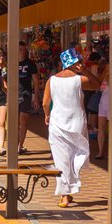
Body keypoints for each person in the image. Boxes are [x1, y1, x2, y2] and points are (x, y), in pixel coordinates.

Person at [42, 48, 100, 207]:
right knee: (75, 155)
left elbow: (45, 103)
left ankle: (65, 193)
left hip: (57, 123)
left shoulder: (51, 80)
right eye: (80, 62)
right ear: (76, 63)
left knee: (61, 158)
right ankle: (68, 189)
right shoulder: (79, 80)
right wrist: (86, 71)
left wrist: (47, 115)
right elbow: (97, 85)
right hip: (77, 123)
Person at [17, 41, 41, 154]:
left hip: (26, 95)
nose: (22, 52)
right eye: (20, 49)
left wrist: (36, 96)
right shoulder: (11, 63)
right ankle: (14, 143)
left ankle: (20, 146)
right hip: (13, 95)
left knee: (23, 121)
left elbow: (36, 80)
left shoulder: (30, 63)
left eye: (23, 49)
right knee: (13, 122)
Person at [95, 60, 110, 159]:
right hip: (103, 104)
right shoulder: (105, 75)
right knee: (101, 129)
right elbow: (98, 85)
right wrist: (105, 73)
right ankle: (101, 152)